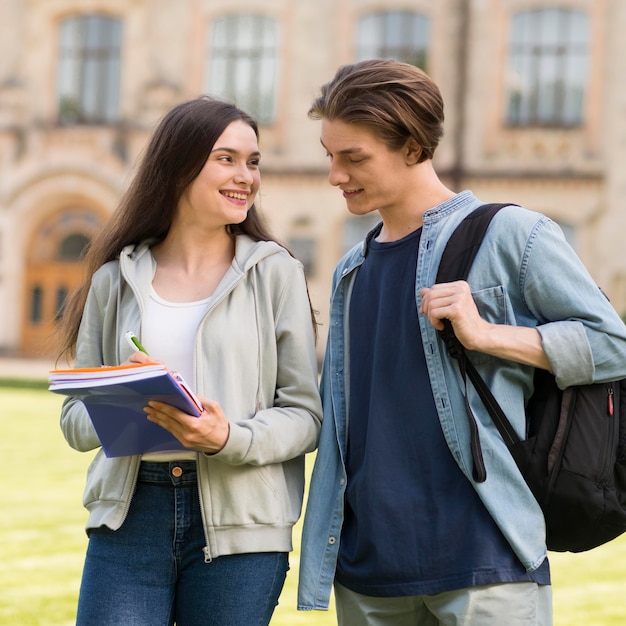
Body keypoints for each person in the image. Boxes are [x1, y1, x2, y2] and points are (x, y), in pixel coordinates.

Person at [297, 59, 626, 625]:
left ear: (412, 146)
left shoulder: (512, 234)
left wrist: (489, 335)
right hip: (369, 572)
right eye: (330, 156)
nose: (335, 176)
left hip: (485, 562)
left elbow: (612, 345)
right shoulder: (352, 269)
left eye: (354, 158)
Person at [56, 96, 322, 625]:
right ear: (178, 166)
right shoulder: (115, 279)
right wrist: (131, 406)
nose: (245, 175)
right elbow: (74, 421)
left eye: (253, 161)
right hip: (130, 519)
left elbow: (304, 416)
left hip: (241, 524)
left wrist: (228, 438)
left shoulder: (276, 274)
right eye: (226, 159)